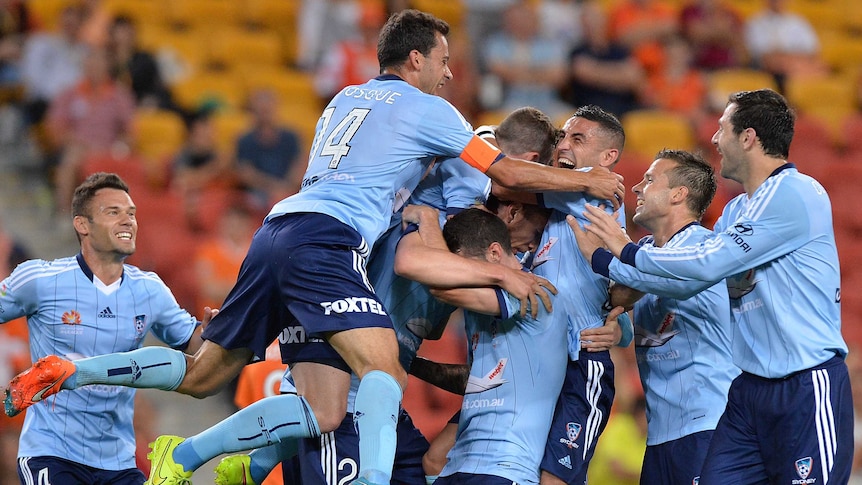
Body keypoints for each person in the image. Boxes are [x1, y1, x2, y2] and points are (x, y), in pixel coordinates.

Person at [5, 10, 625, 485]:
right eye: (442, 61)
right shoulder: (436, 117)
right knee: (377, 374)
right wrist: (587, 184)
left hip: (279, 230)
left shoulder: (345, 99)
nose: (449, 73)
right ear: (415, 60)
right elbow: (504, 179)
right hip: (328, 248)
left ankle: (87, 384)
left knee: (214, 379)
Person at [209, 106, 558, 485]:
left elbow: (437, 321)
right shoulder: (446, 201)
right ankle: (196, 454)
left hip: (377, 391)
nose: (531, 250)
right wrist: (501, 274)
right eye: (537, 232)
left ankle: (252, 465)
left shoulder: (457, 211)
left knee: (409, 464)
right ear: (512, 210)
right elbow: (413, 264)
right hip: (349, 389)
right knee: (320, 413)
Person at [573, 89, 853, 483]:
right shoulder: (737, 210)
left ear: (748, 137)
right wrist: (615, 275)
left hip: (804, 381)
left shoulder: (796, 193)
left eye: (722, 129)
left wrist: (615, 253)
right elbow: (686, 280)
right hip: (749, 391)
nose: (714, 139)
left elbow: (706, 265)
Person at [0, 172, 208, 485]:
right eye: (113, 212)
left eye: (131, 213)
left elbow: (196, 344)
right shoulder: (40, 281)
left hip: (118, 460)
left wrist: (222, 330)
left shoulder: (149, 290)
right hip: (52, 452)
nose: (128, 220)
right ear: (82, 224)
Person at [572, 149, 738, 483]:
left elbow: (665, 281)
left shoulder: (705, 248)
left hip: (708, 422)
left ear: (679, 194)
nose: (637, 188)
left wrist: (602, 256)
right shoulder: (647, 253)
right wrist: (622, 328)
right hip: (660, 431)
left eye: (650, 180)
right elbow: (628, 295)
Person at [400, 206, 569, 484]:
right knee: (431, 459)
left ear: (493, 253)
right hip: (456, 465)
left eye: (466, 265)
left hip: (504, 467)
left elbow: (438, 283)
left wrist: (429, 220)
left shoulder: (535, 291)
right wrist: (408, 360)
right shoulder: (479, 304)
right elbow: (480, 378)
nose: (463, 273)